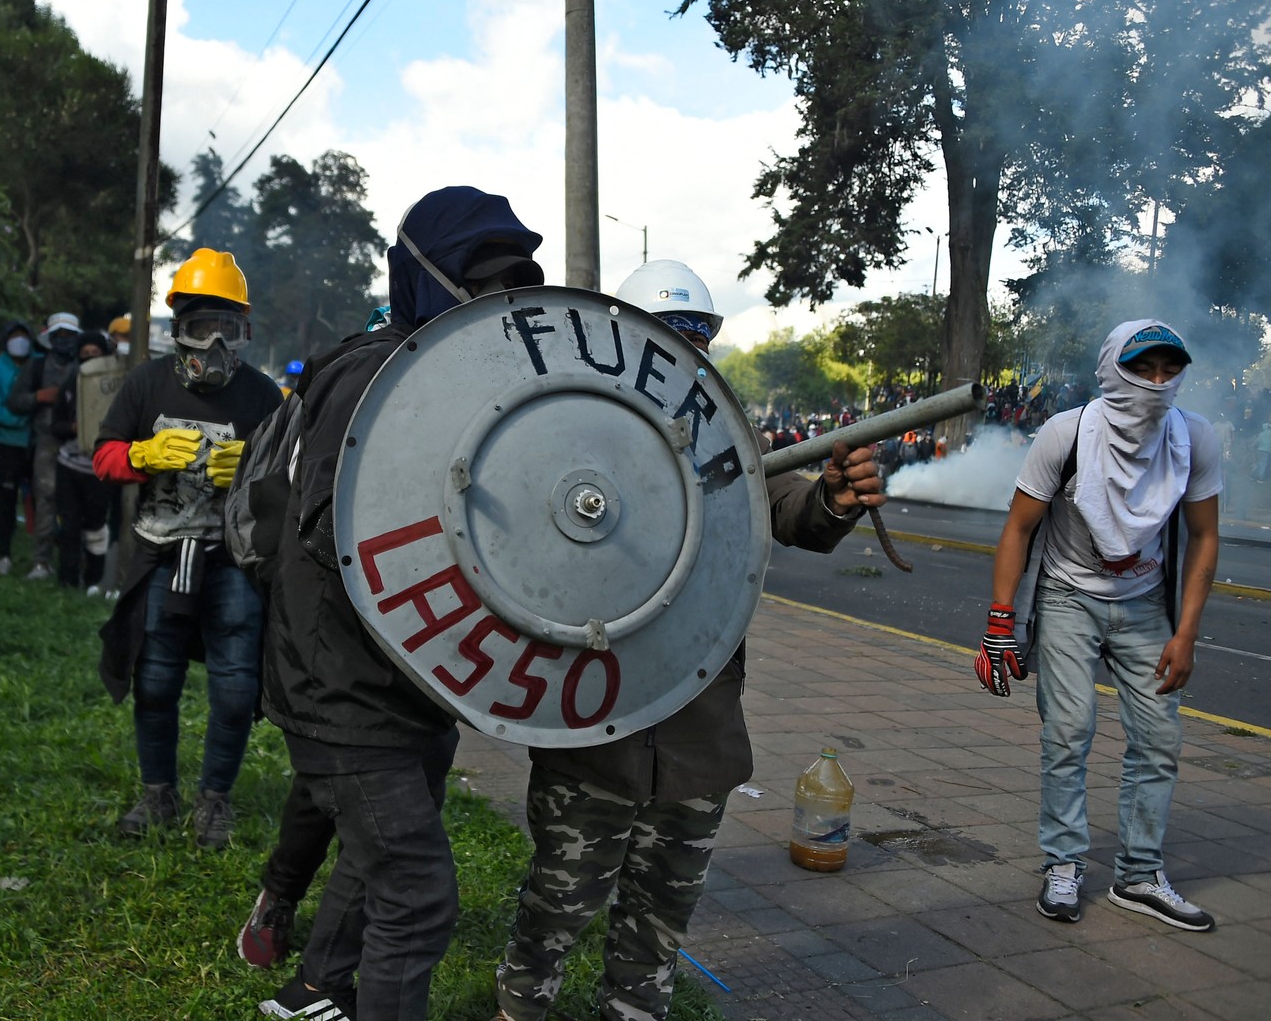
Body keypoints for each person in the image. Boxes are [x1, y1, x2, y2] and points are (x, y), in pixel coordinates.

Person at [491, 260, 886, 1021]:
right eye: (666, 334)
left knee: (658, 927)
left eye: (696, 334)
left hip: (699, 737)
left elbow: (789, 507)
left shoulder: (726, 436)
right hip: (593, 727)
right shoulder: (573, 431)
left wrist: (834, 499)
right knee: (557, 907)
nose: (682, 348)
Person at [255, 187, 544, 1021]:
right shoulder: (374, 382)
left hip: (408, 685)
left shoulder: (447, 378)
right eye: (480, 282)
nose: (499, 304)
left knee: (378, 850)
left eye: (514, 282)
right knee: (417, 894)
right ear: (426, 282)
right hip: (344, 692)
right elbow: (346, 547)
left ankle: (311, 992)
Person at [976, 320, 1221, 932]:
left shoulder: (1193, 439)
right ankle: (1063, 863)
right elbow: (1019, 528)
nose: (1157, 383)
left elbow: (1205, 536)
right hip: (1066, 596)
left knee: (1159, 739)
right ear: (1113, 368)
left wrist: (1185, 632)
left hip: (1145, 605)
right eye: (1143, 369)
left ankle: (1139, 875)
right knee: (1068, 731)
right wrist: (1000, 621)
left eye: (1169, 370)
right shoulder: (1068, 433)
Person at [93, 249, 283, 850]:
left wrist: (254, 469)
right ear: (180, 328)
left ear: (244, 332)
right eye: (205, 328)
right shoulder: (146, 383)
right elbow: (102, 456)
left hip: (230, 559)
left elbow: (291, 480)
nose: (217, 344)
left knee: (234, 684)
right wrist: (141, 456)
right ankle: (157, 795)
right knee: (154, 678)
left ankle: (215, 802)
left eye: (230, 329)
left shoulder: (262, 396)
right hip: (159, 553)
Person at [10, 310, 82, 580]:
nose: (64, 340)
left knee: (78, 503)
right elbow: (15, 402)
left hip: (80, 442)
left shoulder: (84, 366)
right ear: (50, 338)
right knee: (46, 500)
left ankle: (76, 562)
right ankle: (41, 561)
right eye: (59, 335)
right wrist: (39, 396)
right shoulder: (36, 367)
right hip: (47, 442)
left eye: (69, 335)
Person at [51, 331, 119, 591]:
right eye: (85, 354)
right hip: (69, 466)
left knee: (95, 526)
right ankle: (67, 580)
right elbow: (55, 425)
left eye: (95, 353)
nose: (90, 358)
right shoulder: (71, 384)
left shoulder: (113, 386)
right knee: (68, 526)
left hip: (99, 469)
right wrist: (73, 427)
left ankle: (94, 579)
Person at [0, 321, 37, 575]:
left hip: (37, 443)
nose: (19, 341)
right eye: (13, 336)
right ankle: (4, 553)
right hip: (8, 444)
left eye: (22, 336)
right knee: (6, 499)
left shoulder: (39, 361)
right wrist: (22, 419)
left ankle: (42, 556)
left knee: (41, 499)